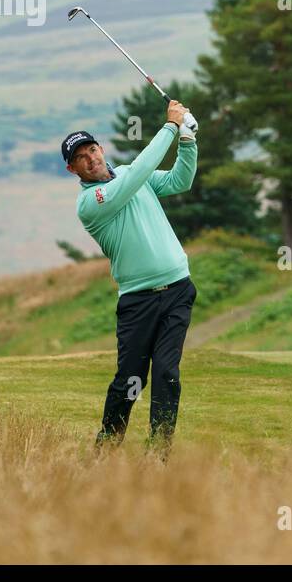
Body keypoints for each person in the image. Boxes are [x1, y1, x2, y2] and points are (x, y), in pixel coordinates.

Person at [60, 100, 198, 455]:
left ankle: (159, 453)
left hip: (178, 289)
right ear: (72, 169)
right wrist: (170, 126)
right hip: (137, 301)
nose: (90, 158)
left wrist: (187, 141)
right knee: (130, 380)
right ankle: (106, 448)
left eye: (92, 149)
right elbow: (138, 173)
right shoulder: (92, 202)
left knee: (167, 372)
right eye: (81, 157)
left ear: (100, 148)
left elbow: (180, 181)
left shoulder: (126, 175)